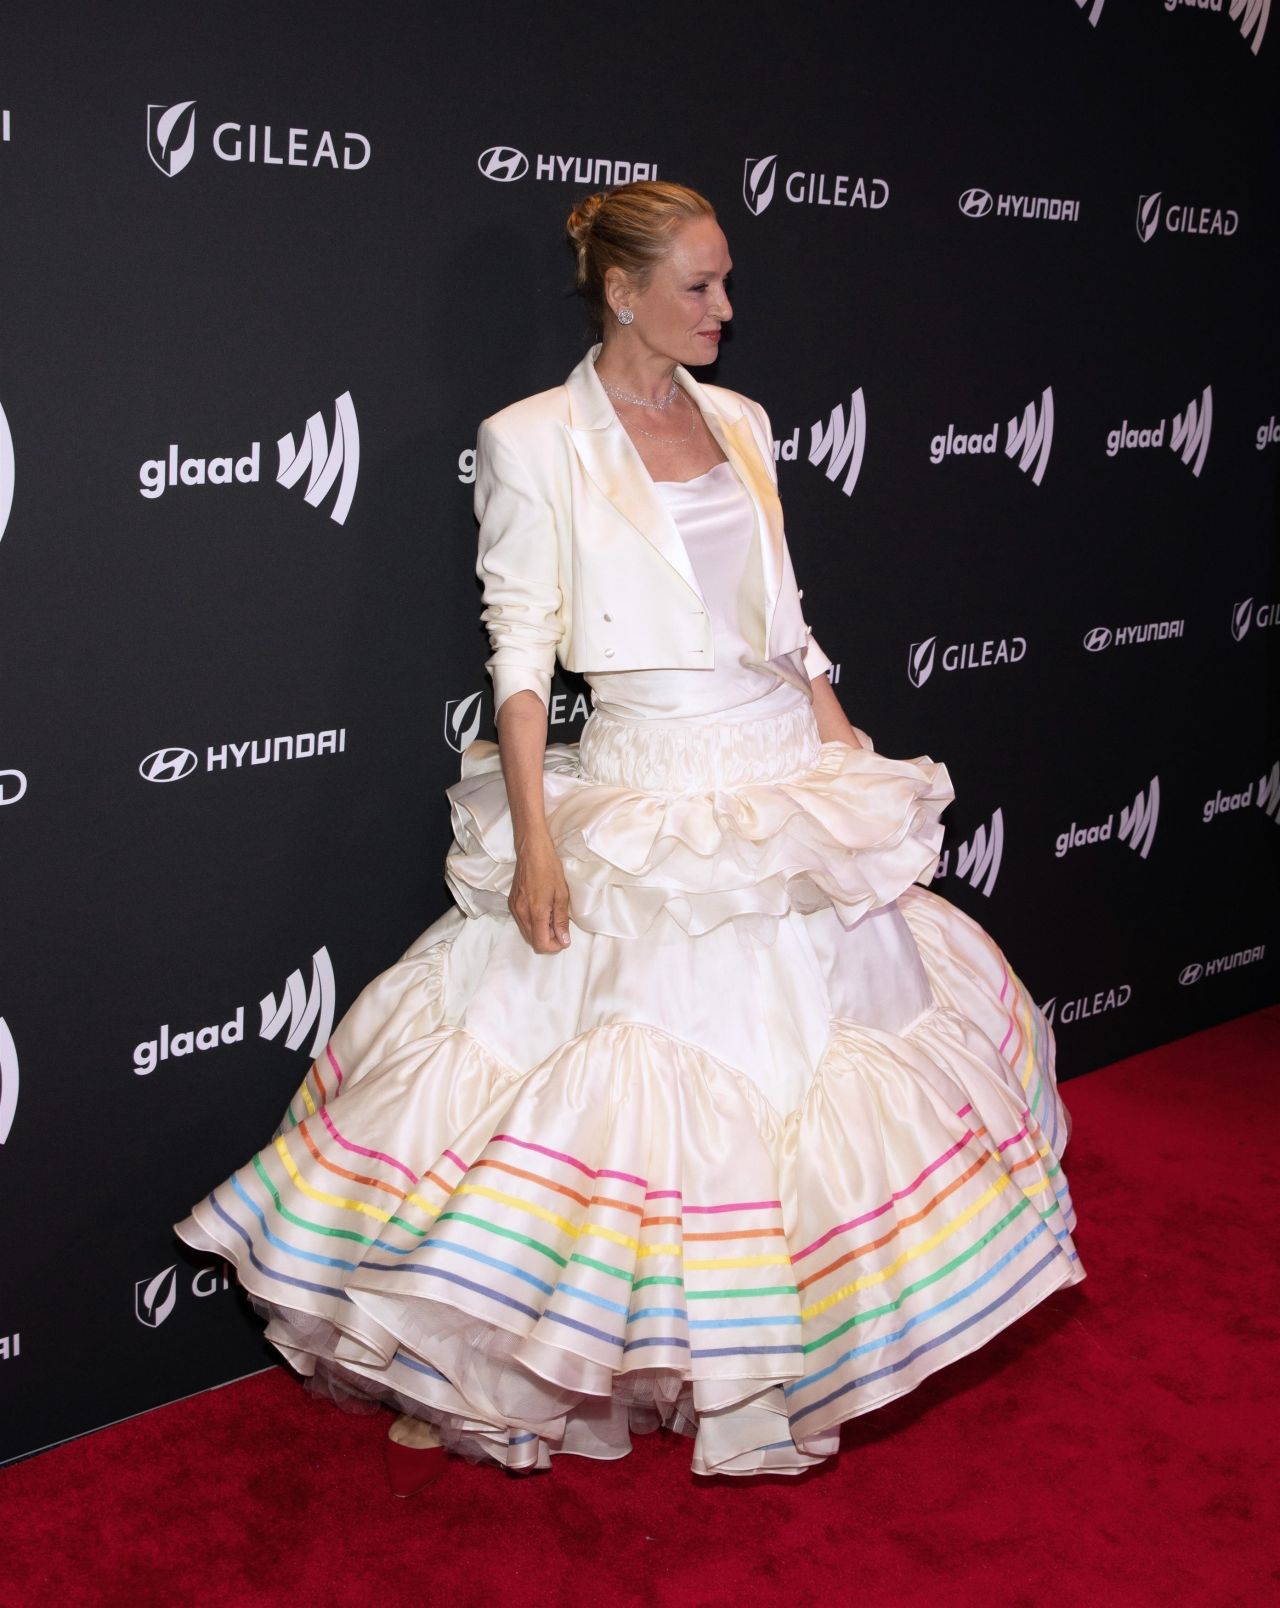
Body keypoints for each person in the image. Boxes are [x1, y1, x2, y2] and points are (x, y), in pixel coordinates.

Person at [176, 181, 1081, 1489]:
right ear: (623, 290)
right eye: (701, 285)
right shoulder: (533, 439)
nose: (727, 308)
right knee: (618, 1094)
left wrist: (848, 750)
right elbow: (521, 653)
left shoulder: (746, 420)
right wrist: (537, 842)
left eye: (727, 282)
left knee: (825, 1067)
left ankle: (778, 1372)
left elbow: (784, 619)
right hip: (647, 781)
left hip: (777, 772)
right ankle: (511, 1358)